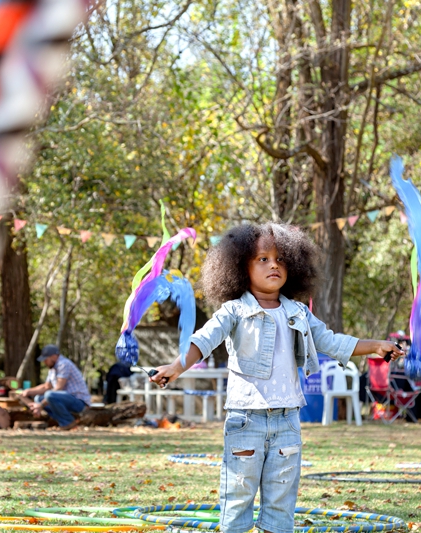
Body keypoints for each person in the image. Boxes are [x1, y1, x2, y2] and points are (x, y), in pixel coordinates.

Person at [150, 223, 402, 533]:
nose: (274, 265)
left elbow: (331, 341)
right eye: (263, 259)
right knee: (238, 495)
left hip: (287, 421)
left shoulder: (297, 312)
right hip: (246, 419)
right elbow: (203, 340)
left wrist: (375, 346)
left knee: (281, 501)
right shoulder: (234, 311)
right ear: (241, 267)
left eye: (281, 259)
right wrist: (176, 366)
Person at [21, 345, 91, 430]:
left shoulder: (64, 364)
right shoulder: (52, 368)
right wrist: (28, 391)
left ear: (54, 357)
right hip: (64, 400)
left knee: (49, 395)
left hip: (79, 402)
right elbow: (46, 386)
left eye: (46, 359)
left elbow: (58, 389)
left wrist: (40, 406)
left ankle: (68, 422)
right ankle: (64, 422)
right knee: (38, 398)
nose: (44, 362)